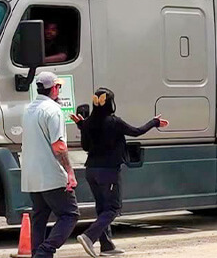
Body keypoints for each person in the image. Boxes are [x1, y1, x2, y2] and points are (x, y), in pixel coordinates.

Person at [69, 88, 168, 258]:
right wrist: (154, 122)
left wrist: (82, 126)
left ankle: (106, 246)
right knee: (113, 208)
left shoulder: (87, 122)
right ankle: (88, 236)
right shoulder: (114, 122)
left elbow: (86, 146)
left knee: (102, 208)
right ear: (111, 103)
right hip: (108, 171)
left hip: (91, 170)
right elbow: (137, 131)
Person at [21, 72, 79, 258]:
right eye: (58, 87)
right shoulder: (53, 111)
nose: (59, 90)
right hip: (51, 174)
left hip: (32, 174)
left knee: (39, 216)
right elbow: (59, 146)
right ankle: (45, 251)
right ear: (54, 88)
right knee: (70, 214)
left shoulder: (29, 109)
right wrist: (70, 172)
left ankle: (37, 253)